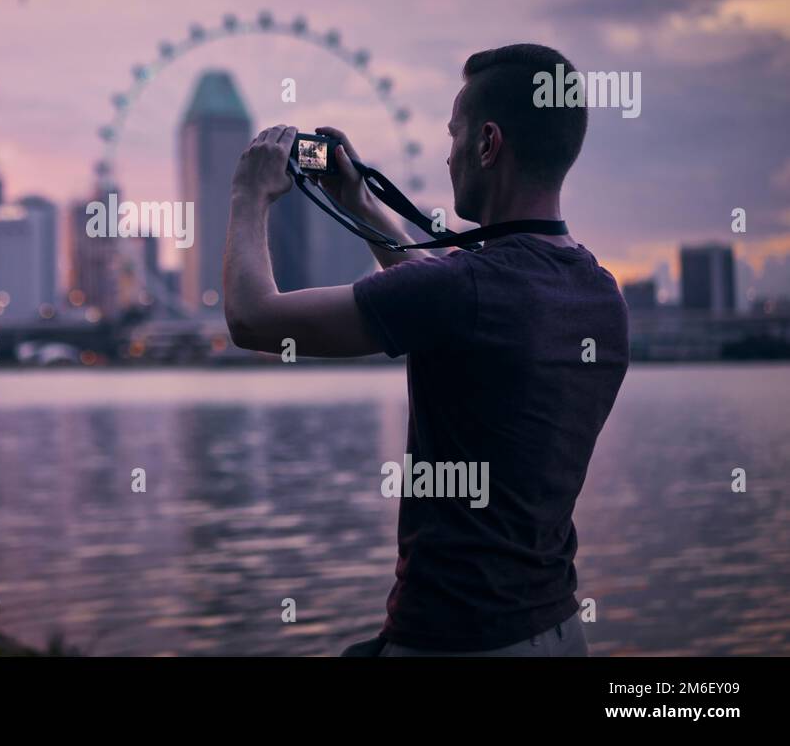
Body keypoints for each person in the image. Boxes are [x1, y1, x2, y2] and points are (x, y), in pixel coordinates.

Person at [222, 43, 629, 656]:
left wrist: (247, 195)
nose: (447, 155)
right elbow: (444, 296)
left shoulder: (464, 288)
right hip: (558, 631)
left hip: (453, 639)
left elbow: (253, 320)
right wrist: (359, 201)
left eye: (454, 135)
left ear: (488, 144)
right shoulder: (599, 293)